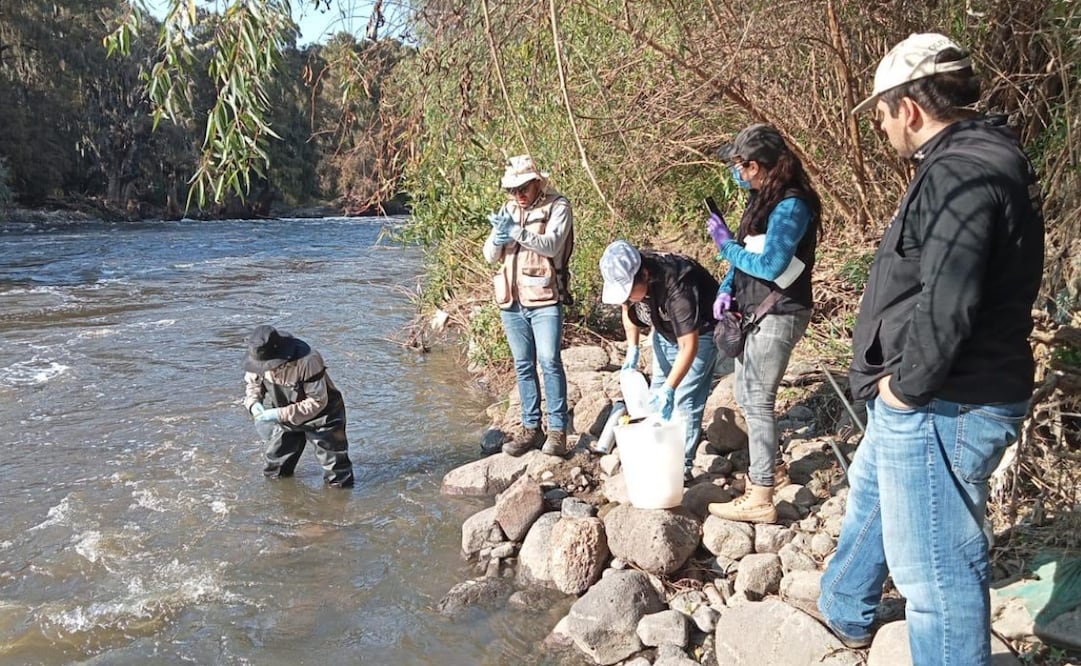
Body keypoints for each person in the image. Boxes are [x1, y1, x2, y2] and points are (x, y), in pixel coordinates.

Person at [816, 33, 1045, 664]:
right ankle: (843, 609)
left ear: (909, 110)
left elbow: (951, 300)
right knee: (873, 494)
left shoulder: (961, 174)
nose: (884, 127)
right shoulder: (973, 160)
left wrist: (906, 388)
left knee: (936, 574)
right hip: (935, 393)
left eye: (883, 113)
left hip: (948, 399)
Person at [704, 123, 821, 524]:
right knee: (748, 393)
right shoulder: (761, 197)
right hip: (753, 309)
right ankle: (769, 471)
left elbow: (771, 264)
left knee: (757, 401)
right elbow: (742, 260)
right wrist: (725, 288)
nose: (736, 172)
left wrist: (724, 246)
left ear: (755, 165)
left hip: (781, 311)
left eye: (739, 164)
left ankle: (760, 496)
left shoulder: (791, 205)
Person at [599, 239, 719, 479]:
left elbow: (689, 344)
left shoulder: (677, 284)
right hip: (663, 333)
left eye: (630, 292)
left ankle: (679, 468)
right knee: (653, 400)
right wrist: (632, 349)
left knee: (684, 401)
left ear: (645, 275)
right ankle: (656, 457)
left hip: (701, 334)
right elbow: (628, 311)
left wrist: (671, 388)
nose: (628, 298)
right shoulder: (629, 275)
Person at [483, 155, 574, 457]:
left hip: (546, 299)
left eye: (523, 187)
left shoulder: (558, 205)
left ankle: (558, 431)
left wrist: (517, 232)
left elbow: (552, 245)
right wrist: (498, 238)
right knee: (523, 365)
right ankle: (530, 429)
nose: (518, 195)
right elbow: (490, 256)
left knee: (549, 361)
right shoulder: (508, 209)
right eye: (513, 190)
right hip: (511, 301)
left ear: (537, 183)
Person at [243, 325, 355, 487]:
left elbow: (317, 402)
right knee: (275, 468)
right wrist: (254, 404)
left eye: (269, 365)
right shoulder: (257, 358)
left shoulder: (308, 360)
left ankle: (340, 505)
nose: (265, 369)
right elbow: (253, 386)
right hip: (285, 413)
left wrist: (277, 415)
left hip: (323, 416)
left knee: (337, 472)